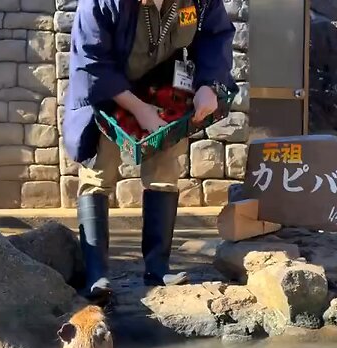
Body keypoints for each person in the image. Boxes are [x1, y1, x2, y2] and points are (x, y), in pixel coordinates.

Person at [64, 0, 237, 300]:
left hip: (161, 88)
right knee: (98, 174)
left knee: (164, 171)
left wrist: (208, 84)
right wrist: (140, 110)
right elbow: (91, 61)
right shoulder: (101, 4)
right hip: (107, 93)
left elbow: (214, 35)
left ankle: (158, 267)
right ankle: (97, 274)